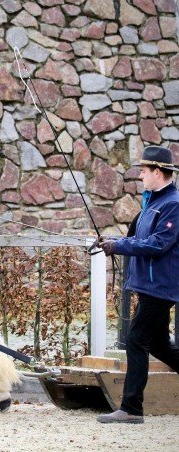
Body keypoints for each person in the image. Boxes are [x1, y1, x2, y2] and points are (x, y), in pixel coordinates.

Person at [96, 145, 179, 424]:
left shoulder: (173, 205)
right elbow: (134, 238)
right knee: (159, 346)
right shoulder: (151, 205)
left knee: (136, 339)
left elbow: (157, 244)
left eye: (144, 171)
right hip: (149, 286)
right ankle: (131, 408)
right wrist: (110, 241)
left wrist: (118, 246)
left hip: (161, 288)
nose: (141, 175)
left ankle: (131, 409)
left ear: (158, 172)